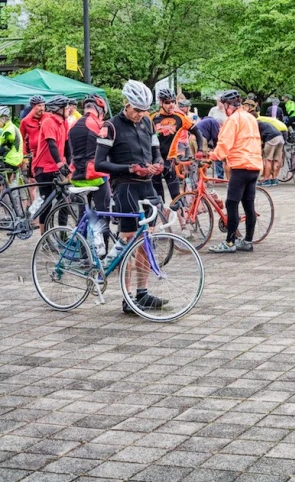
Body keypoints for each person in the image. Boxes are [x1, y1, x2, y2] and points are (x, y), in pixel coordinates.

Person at [95, 80, 166, 313]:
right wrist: (129, 168)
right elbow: (100, 163)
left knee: (147, 240)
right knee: (128, 240)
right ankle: (127, 299)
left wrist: (158, 164)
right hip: (125, 186)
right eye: (136, 109)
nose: (140, 114)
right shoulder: (111, 126)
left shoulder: (148, 123)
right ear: (126, 104)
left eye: (144, 110)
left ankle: (142, 293)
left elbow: (156, 152)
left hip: (147, 185)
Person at [209, 90, 263, 253]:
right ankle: (247, 241)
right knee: (248, 205)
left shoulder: (233, 120)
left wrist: (211, 156)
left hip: (240, 166)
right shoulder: (250, 117)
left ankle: (230, 242)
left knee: (231, 203)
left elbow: (224, 144)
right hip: (254, 166)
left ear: (227, 105)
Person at [149, 88, 205, 203]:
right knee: (158, 197)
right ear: (160, 102)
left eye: (173, 102)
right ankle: (162, 218)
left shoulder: (180, 117)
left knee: (176, 197)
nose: (171, 105)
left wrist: (200, 149)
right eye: (167, 102)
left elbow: (197, 132)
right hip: (154, 160)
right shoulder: (152, 117)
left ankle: (183, 219)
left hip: (170, 160)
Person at [69, 94, 111, 247]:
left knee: (82, 216)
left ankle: (83, 255)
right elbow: (105, 150)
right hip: (96, 175)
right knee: (103, 214)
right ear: (100, 110)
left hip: (77, 176)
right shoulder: (97, 123)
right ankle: (104, 251)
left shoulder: (73, 124)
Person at [32, 95, 72, 233]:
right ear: (58, 109)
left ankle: (63, 235)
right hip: (44, 168)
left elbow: (67, 145)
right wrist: (61, 164)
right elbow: (51, 144)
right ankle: (44, 236)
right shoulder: (48, 121)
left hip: (56, 167)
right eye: (66, 107)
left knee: (64, 202)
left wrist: (71, 164)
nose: (69, 110)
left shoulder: (64, 122)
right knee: (47, 204)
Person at [258, 118, 285, 186]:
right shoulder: (266, 124)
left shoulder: (256, 125)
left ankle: (266, 180)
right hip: (280, 138)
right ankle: (274, 179)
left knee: (268, 160)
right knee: (276, 160)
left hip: (271, 139)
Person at [0, 107, 23, 173]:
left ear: (3, 118)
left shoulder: (9, 131)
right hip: (13, 159)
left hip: (10, 160)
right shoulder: (9, 127)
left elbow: (4, 148)